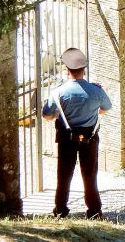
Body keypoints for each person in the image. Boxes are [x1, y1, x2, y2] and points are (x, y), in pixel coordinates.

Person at [42, 47, 112, 219]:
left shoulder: (58, 92)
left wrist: (58, 114)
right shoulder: (97, 91)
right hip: (90, 138)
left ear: (67, 70)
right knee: (89, 174)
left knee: (64, 174)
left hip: (67, 138)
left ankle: (60, 210)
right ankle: (94, 211)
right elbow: (106, 108)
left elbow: (46, 115)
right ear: (84, 69)